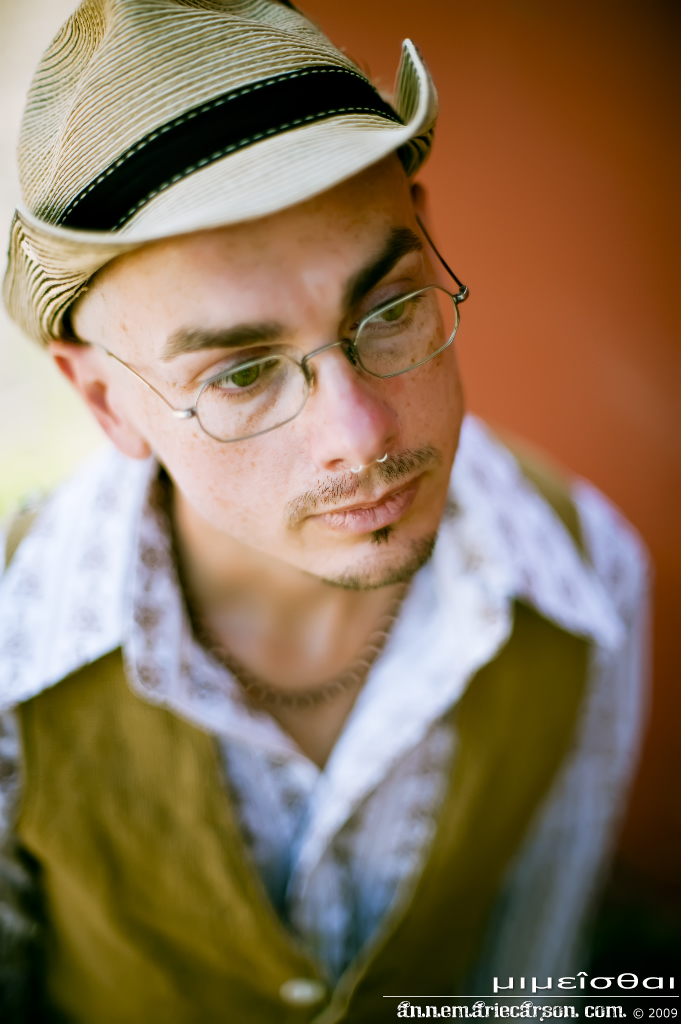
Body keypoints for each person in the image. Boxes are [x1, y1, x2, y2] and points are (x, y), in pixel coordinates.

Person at [0, 0, 649, 1020]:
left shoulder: (587, 577)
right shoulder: (12, 652)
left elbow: (530, 981)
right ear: (104, 401)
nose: (361, 434)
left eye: (388, 310)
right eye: (244, 372)